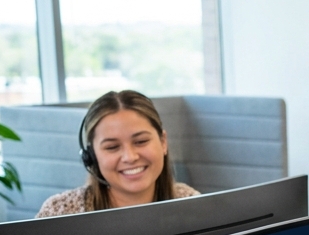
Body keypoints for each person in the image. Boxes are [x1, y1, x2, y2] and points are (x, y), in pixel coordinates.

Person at [37, 89, 198, 217]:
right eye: (112, 147)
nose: (130, 157)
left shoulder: (193, 205)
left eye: (141, 141)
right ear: (91, 156)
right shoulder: (59, 213)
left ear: (163, 142)